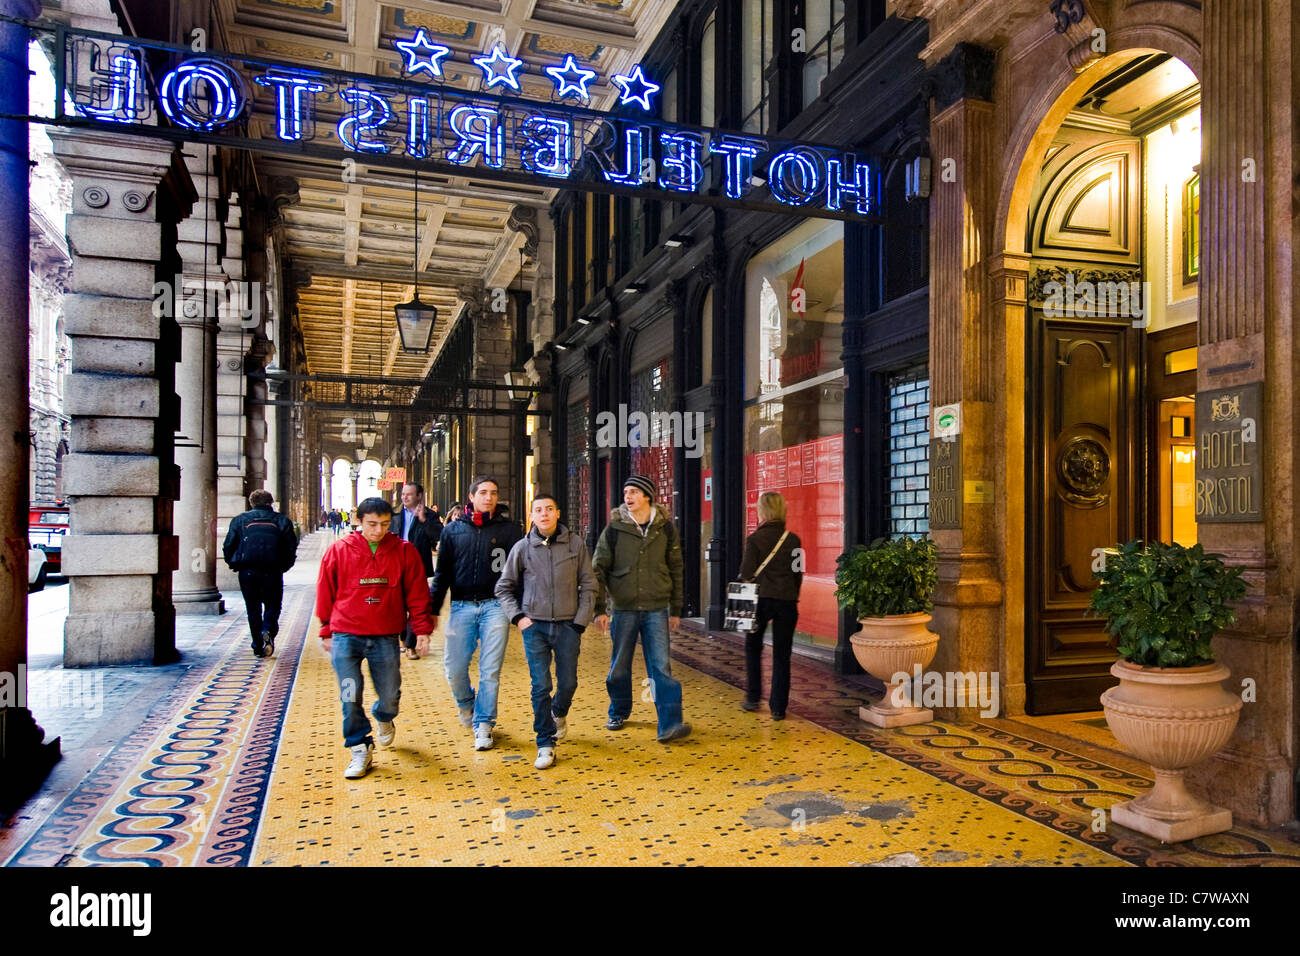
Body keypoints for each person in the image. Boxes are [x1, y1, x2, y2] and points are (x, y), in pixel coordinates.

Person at [315, 497, 433, 779]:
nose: (378, 530)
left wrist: (421, 630)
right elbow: (325, 590)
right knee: (349, 693)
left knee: (390, 693)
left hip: (384, 637)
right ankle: (359, 745)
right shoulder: (339, 551)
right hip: (345, 635)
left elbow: (417, 594)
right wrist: (326, 629)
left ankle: (384, 717)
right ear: (358, 521)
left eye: (384, 524)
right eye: (371, 524)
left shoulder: (404, 551)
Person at [495, 495, 596, 769]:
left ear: (558, 512)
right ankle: (545, 742)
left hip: (567, 626)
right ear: (532, 516)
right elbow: (503, 587)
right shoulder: (522, 548)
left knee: (568, 684)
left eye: (549, 509)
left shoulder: (575, 545)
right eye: (538, 510)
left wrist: (580, 622)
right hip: (535, 627)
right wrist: (518, 617)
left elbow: (589, 585)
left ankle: (559, 712)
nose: (544, 514)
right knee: (540, 686)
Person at [592, 475, 691, 743]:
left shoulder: (665, 529)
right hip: (623, 609)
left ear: (647, 496)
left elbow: (676, 569)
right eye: (625, 492)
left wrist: (676, 609)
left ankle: (669, 724)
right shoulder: (614, 529)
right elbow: (597, 568)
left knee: (660, 666)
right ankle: (619, 710)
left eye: (634, 491)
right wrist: (599, 608)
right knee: (620, 665)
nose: (628, 496)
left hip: (657, 608)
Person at [429, 476, 524, 751]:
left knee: (490, 670)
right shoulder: (453, 531)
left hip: (496, 606)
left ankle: (484, 723)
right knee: (455, 668)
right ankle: (466, 704)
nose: (489, 497)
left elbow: (519, 571)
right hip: (461, 606)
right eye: (483, 492)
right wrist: (433, 610)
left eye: (494, 493)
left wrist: (518, 609)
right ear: (471, 497)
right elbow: (442, 573)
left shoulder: (509, 530)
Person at [738, 491, 803, 720]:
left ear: (762, 511)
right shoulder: (793, 539)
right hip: (786, 602)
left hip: (760, 601)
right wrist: (791, 594)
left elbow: (746, 573)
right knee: (782, 655)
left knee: (753, 648)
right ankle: (778, 708)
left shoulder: (754, 539)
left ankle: (753, 698)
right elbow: (798, 573)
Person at [222, 489, 298, 658]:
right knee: (273, 605)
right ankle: (268, 629)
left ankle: (257, 645)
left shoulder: (240, 520)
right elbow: (291, 547)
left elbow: (228, 545)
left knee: (253, 609)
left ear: (251, 503)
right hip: (272, 571)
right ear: (270, 503)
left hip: (247, 572)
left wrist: (235, 564)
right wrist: (283, 567)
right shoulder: (281, 520)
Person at [392, 482, 443, 659]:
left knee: (417, 607)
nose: (405, 497)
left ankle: (410, 645)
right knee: (398, 607)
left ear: (419, 496)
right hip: (396, 568)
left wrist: (424, 521)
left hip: (418, 567)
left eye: (409, 494)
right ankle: (403, 639)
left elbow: (439, 537)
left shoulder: (429, 515)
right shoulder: (395, 515)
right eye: (403, 494)